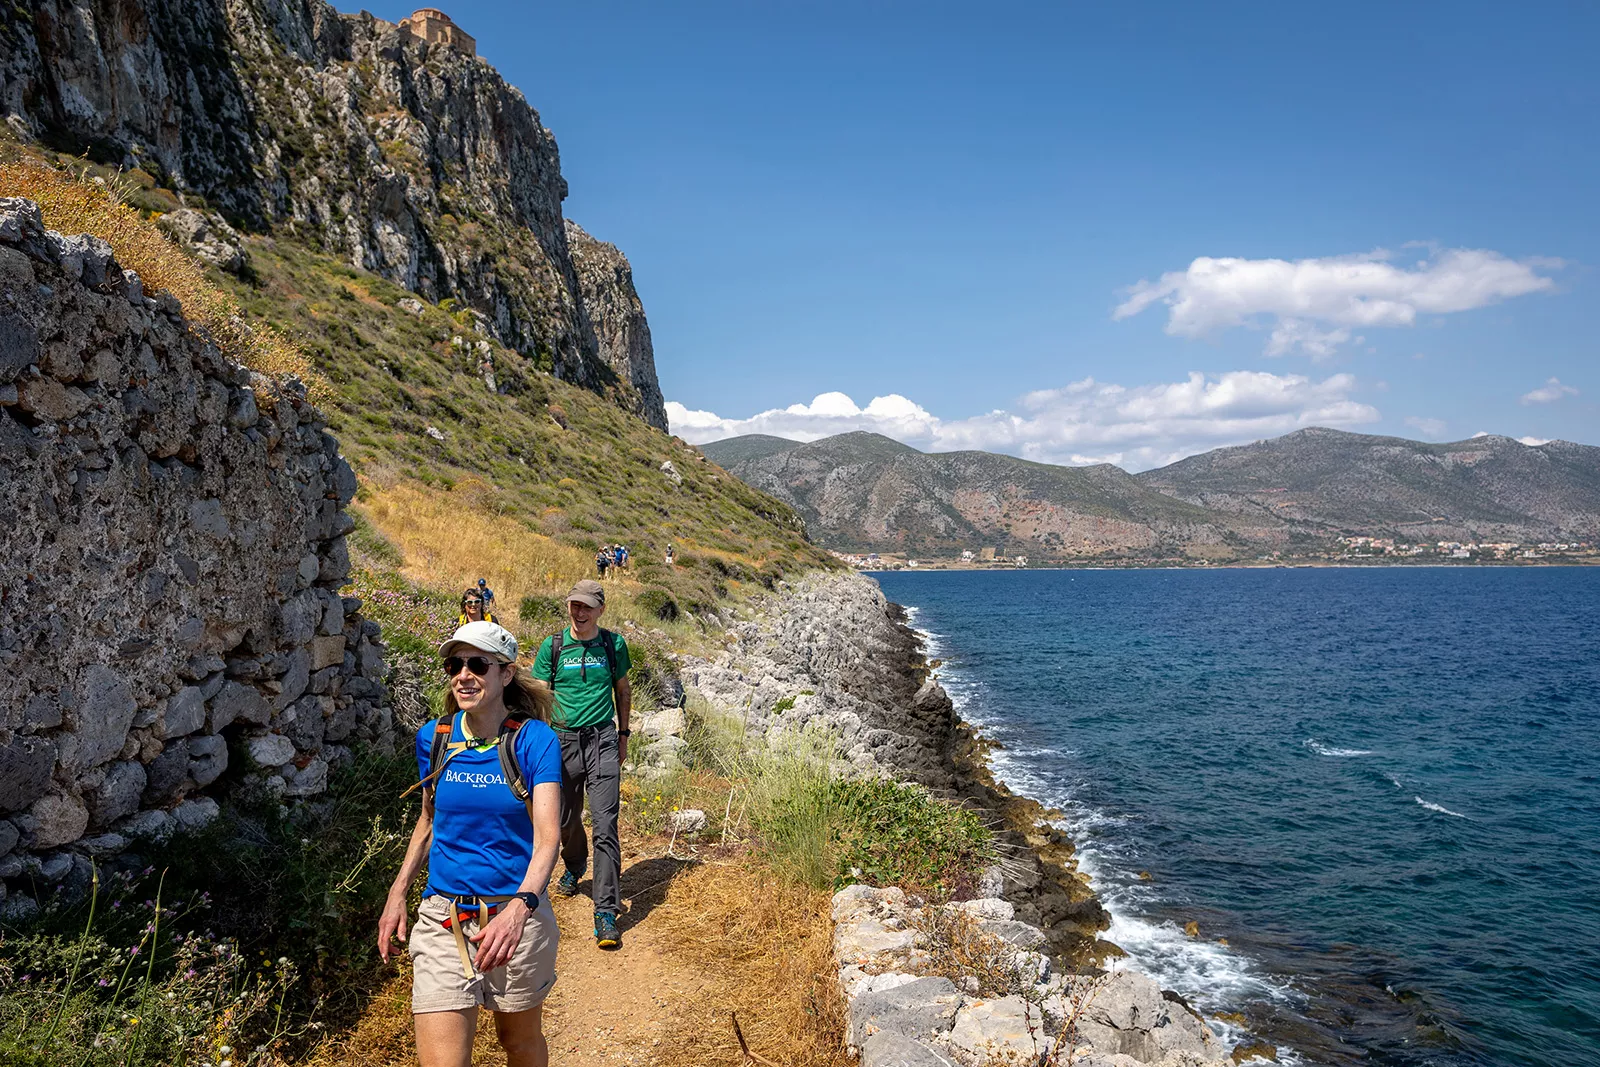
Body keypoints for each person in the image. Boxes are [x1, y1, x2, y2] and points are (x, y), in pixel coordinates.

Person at [378, 621, 563, 1067]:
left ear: (506, 674)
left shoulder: (534, 740)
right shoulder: (436, 737)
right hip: (443, 917)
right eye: (455, 664)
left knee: (518, 1045)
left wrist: (519, 910)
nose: (464, 674)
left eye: (478, 664)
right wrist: (397, 892)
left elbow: (548, 838)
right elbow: (428, 819)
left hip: (514, 916)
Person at [532, 579, 632, 949]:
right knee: (563, 819)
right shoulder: (553, 646)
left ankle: (606, 910)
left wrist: (623, 736)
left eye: (587, 606)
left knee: (606, 823)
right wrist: (537, 745)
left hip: (603, 739)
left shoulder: (613, 644)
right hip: (561, 741)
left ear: (601, 610)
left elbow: (622, 690)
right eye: (575, 604)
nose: (580, 612)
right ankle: (575, 865)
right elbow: (539, 696)